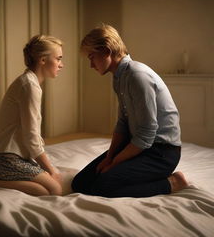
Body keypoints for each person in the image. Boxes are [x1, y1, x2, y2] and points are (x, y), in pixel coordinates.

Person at [71, 24, 189, 198]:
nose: (91, 65)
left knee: (103, 187)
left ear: (106, 51)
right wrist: (109, 158)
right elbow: (123, 123)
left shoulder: (137, 75)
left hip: (161, 153)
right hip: (139, 146)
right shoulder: (119, 77)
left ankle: (171, 182)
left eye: (92, 57)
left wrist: (114, 164)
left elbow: (147, 133)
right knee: (80, 184)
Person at [0, 35, 64, 196]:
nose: (61, 64)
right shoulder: (29, 85)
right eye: (58, 59)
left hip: (14, 157)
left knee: (50, 189)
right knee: (54, 189)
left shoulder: (30, 82)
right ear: (43, 60)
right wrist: (51, 170)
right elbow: (31, 136)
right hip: (6, 159)